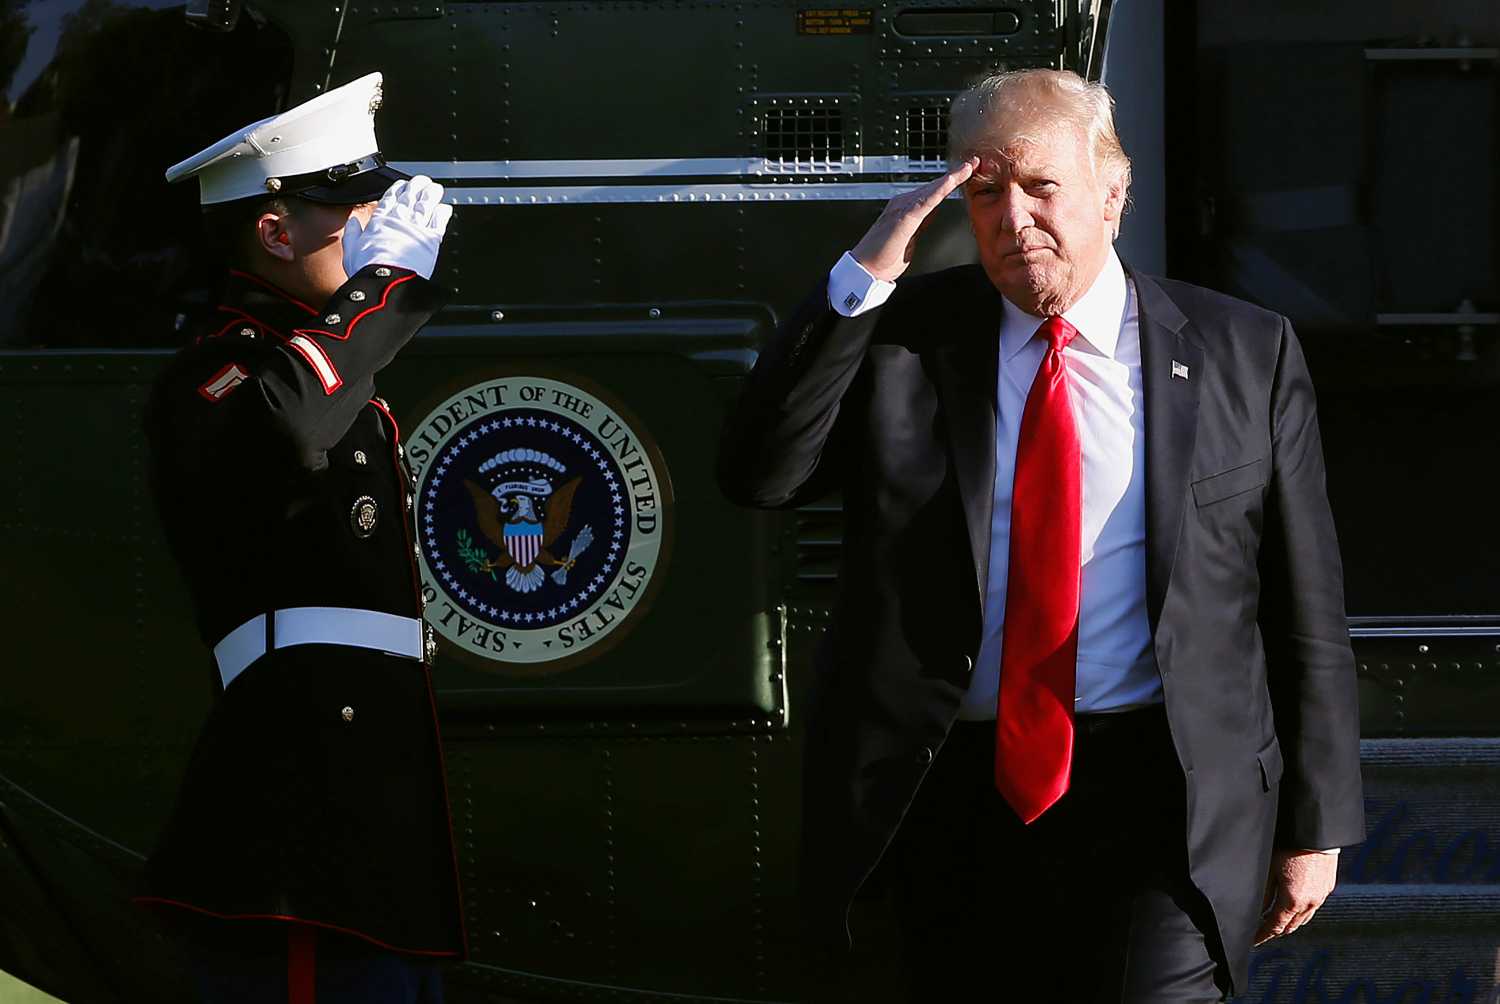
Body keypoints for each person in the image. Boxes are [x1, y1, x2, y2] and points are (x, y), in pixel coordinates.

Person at [717, 68, 1365, 1002]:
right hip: (942, 795)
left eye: (1038, 186)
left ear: (1114, 189)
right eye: (983, 192)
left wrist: (1317, 823)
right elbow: (758, 475)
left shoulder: (1242, 350)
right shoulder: (905, 343)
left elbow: (1305, 602)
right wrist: (865, 275)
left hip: (1164, 793)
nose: (1012, 217)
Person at [138, 72, 463, 1003]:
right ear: (275, 232)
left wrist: (373, 295)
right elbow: (289, 419)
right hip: (299, 825)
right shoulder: (219, 372)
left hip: (366, 826)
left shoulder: (318, 366)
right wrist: (386, 285)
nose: (371, 226)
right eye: (349, 210)